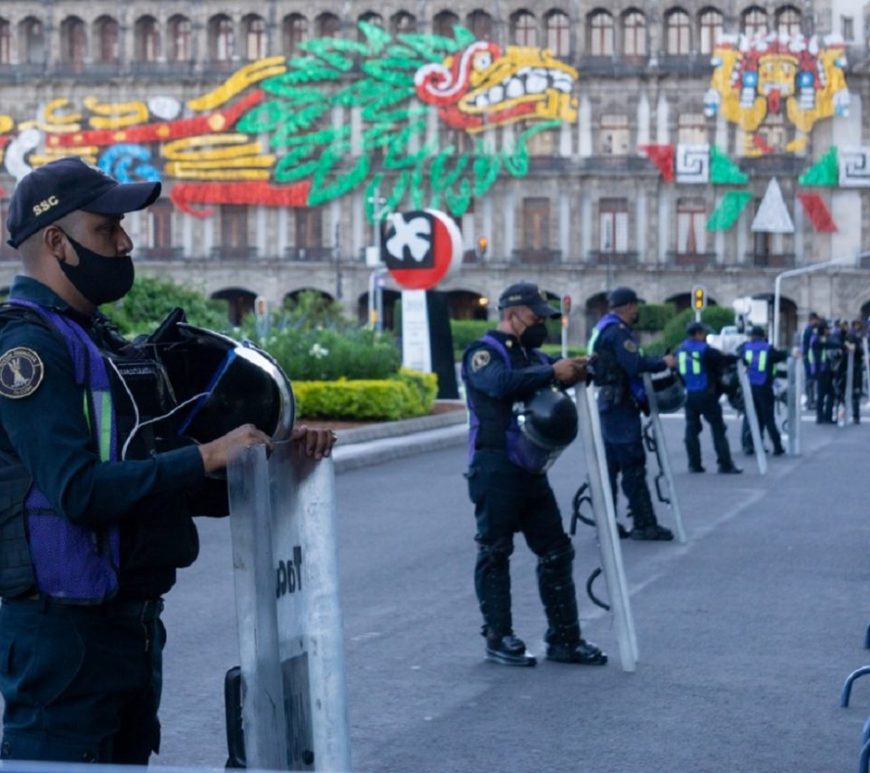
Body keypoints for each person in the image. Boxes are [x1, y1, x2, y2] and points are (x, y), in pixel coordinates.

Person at [0, 157, 335, 763]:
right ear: (56, 242)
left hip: (128, 625)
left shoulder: (97, 341)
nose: (125, 242)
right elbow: (77, 491)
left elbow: (153, 482)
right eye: (107, 230)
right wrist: (205, 454)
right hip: (64, 636)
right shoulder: (28, 351)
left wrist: (271, 461)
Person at [461, 282, 607, 668]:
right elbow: (499, 385)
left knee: (556, 549)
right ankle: (498, 636)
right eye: (536, 315)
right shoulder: (483, 353)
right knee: (495, 550)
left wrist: (573, 372)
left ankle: (564, 638)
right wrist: (550, 372)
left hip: (530, 466)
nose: (542, 321)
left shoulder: (534, 356)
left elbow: (548, 381)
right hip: (493, 465)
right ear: (513, 314)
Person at [587, 287, 676, 541]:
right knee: (633, 464)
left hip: (609, 403)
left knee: (611, 467)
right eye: (634, 306)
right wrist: (663, 363)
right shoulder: (618, 332)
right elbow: (633, 365)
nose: (636, 310)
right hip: (619, 405)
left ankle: (606, 524)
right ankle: (644, 523)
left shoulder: (603, 328)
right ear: (627, 307)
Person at [675, 321, 742, 474]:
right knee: (718, 428)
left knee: (691, 429)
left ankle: (694, 464)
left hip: (688, 394)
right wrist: (739, 358)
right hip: (706, 393)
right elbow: (724, 359)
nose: (704, 336)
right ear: (698, 333)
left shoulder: (680, 349)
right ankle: (725, 464)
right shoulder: (706, 350)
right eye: (703, 333)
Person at [737, 326, 787, 456]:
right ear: (763, 335)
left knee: (750, 416)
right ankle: (777, 446)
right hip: (763, 386)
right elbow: (781, 356)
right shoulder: (768, 348)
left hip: (748, 386)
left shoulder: (744, 347)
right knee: (768, 417)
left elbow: (738, 356)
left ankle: (749, 445)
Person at [810, 320, 838, 424]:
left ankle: (824, 416)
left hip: (825, 369)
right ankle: (822, 417)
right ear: (823, 330)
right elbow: (833, 343)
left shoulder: (818, 338)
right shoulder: (819, 339)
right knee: (824, 394)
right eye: (827, 329)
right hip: (822, 370)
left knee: (828, 394)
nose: (829, 331)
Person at [800, 311, 820, 410]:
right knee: (810, 380)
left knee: (811, 380)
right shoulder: (809, 330)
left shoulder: (808, 330)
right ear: (812, 320)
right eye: (816, 320)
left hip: (809, 358)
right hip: (809, 359)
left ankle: (811, 400)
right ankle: (810, 401)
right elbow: (809, 346)